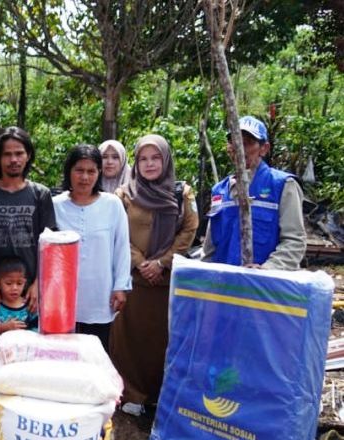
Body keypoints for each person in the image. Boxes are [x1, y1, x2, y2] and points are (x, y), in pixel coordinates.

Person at [110, 134, 199, 418]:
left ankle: (159, 395)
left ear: (166, 159)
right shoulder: (124, 195)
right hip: (134, 280)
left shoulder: (182, 193)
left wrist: (162, 262)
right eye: (144, 159)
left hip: (167, 282)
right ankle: (131, 393)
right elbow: (119, 232)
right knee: (129, 339)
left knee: (163, 340)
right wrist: (141, 262)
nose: (149, 164)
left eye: (156, 158)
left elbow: (189, 230)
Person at [0, 127, 56, 345]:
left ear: (28, 156)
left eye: (19, 153)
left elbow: (49, 244)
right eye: (7, 154)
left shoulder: (40, 195)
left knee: (29, 347)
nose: (14, 159)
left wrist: (37, 284)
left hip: (28, 291)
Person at [52, 144, 132, 350]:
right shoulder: (55, 205)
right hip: (62, 294)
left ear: (99, 173)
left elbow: (122, 248)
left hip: (100, 293)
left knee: (96, 352)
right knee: (62, 352)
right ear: (69, 171)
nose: (84, 177)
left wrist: (120, 286)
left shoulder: (112, 204)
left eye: (91, 171)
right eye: (79, 170)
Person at [202, 115, 306, 270]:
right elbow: (210, 247)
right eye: (234, 142)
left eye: (247, 143)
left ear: (264, 148)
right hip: (223, 285)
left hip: (264, 287)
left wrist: (267, 269)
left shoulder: (282, 185)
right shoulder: (220, 191)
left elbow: (294, 240)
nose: (239, 149)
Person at [0, 257, 39, 346]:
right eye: (9, 283)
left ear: (25, 283)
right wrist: (5, 327)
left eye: (19, 283)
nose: (14, 288)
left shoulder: (30, 305)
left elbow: (36, 330)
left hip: (22, 356)